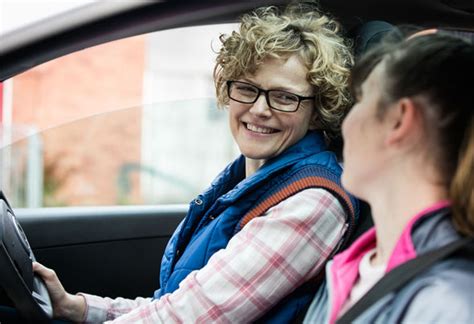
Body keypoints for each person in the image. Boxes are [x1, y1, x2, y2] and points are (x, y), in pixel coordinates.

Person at [33, 2, 359, 323]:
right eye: (246, 88)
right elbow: (177, 304)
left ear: (317, 111)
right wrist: (75, 308)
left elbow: (185, 317)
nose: (259, 109)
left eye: (285, 97)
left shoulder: (311, 203)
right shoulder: (249, 179)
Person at [304, 32, 474, 323]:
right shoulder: (351, 266)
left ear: (399, 120)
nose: (345, 123)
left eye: (361, 99)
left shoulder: (447, 303)